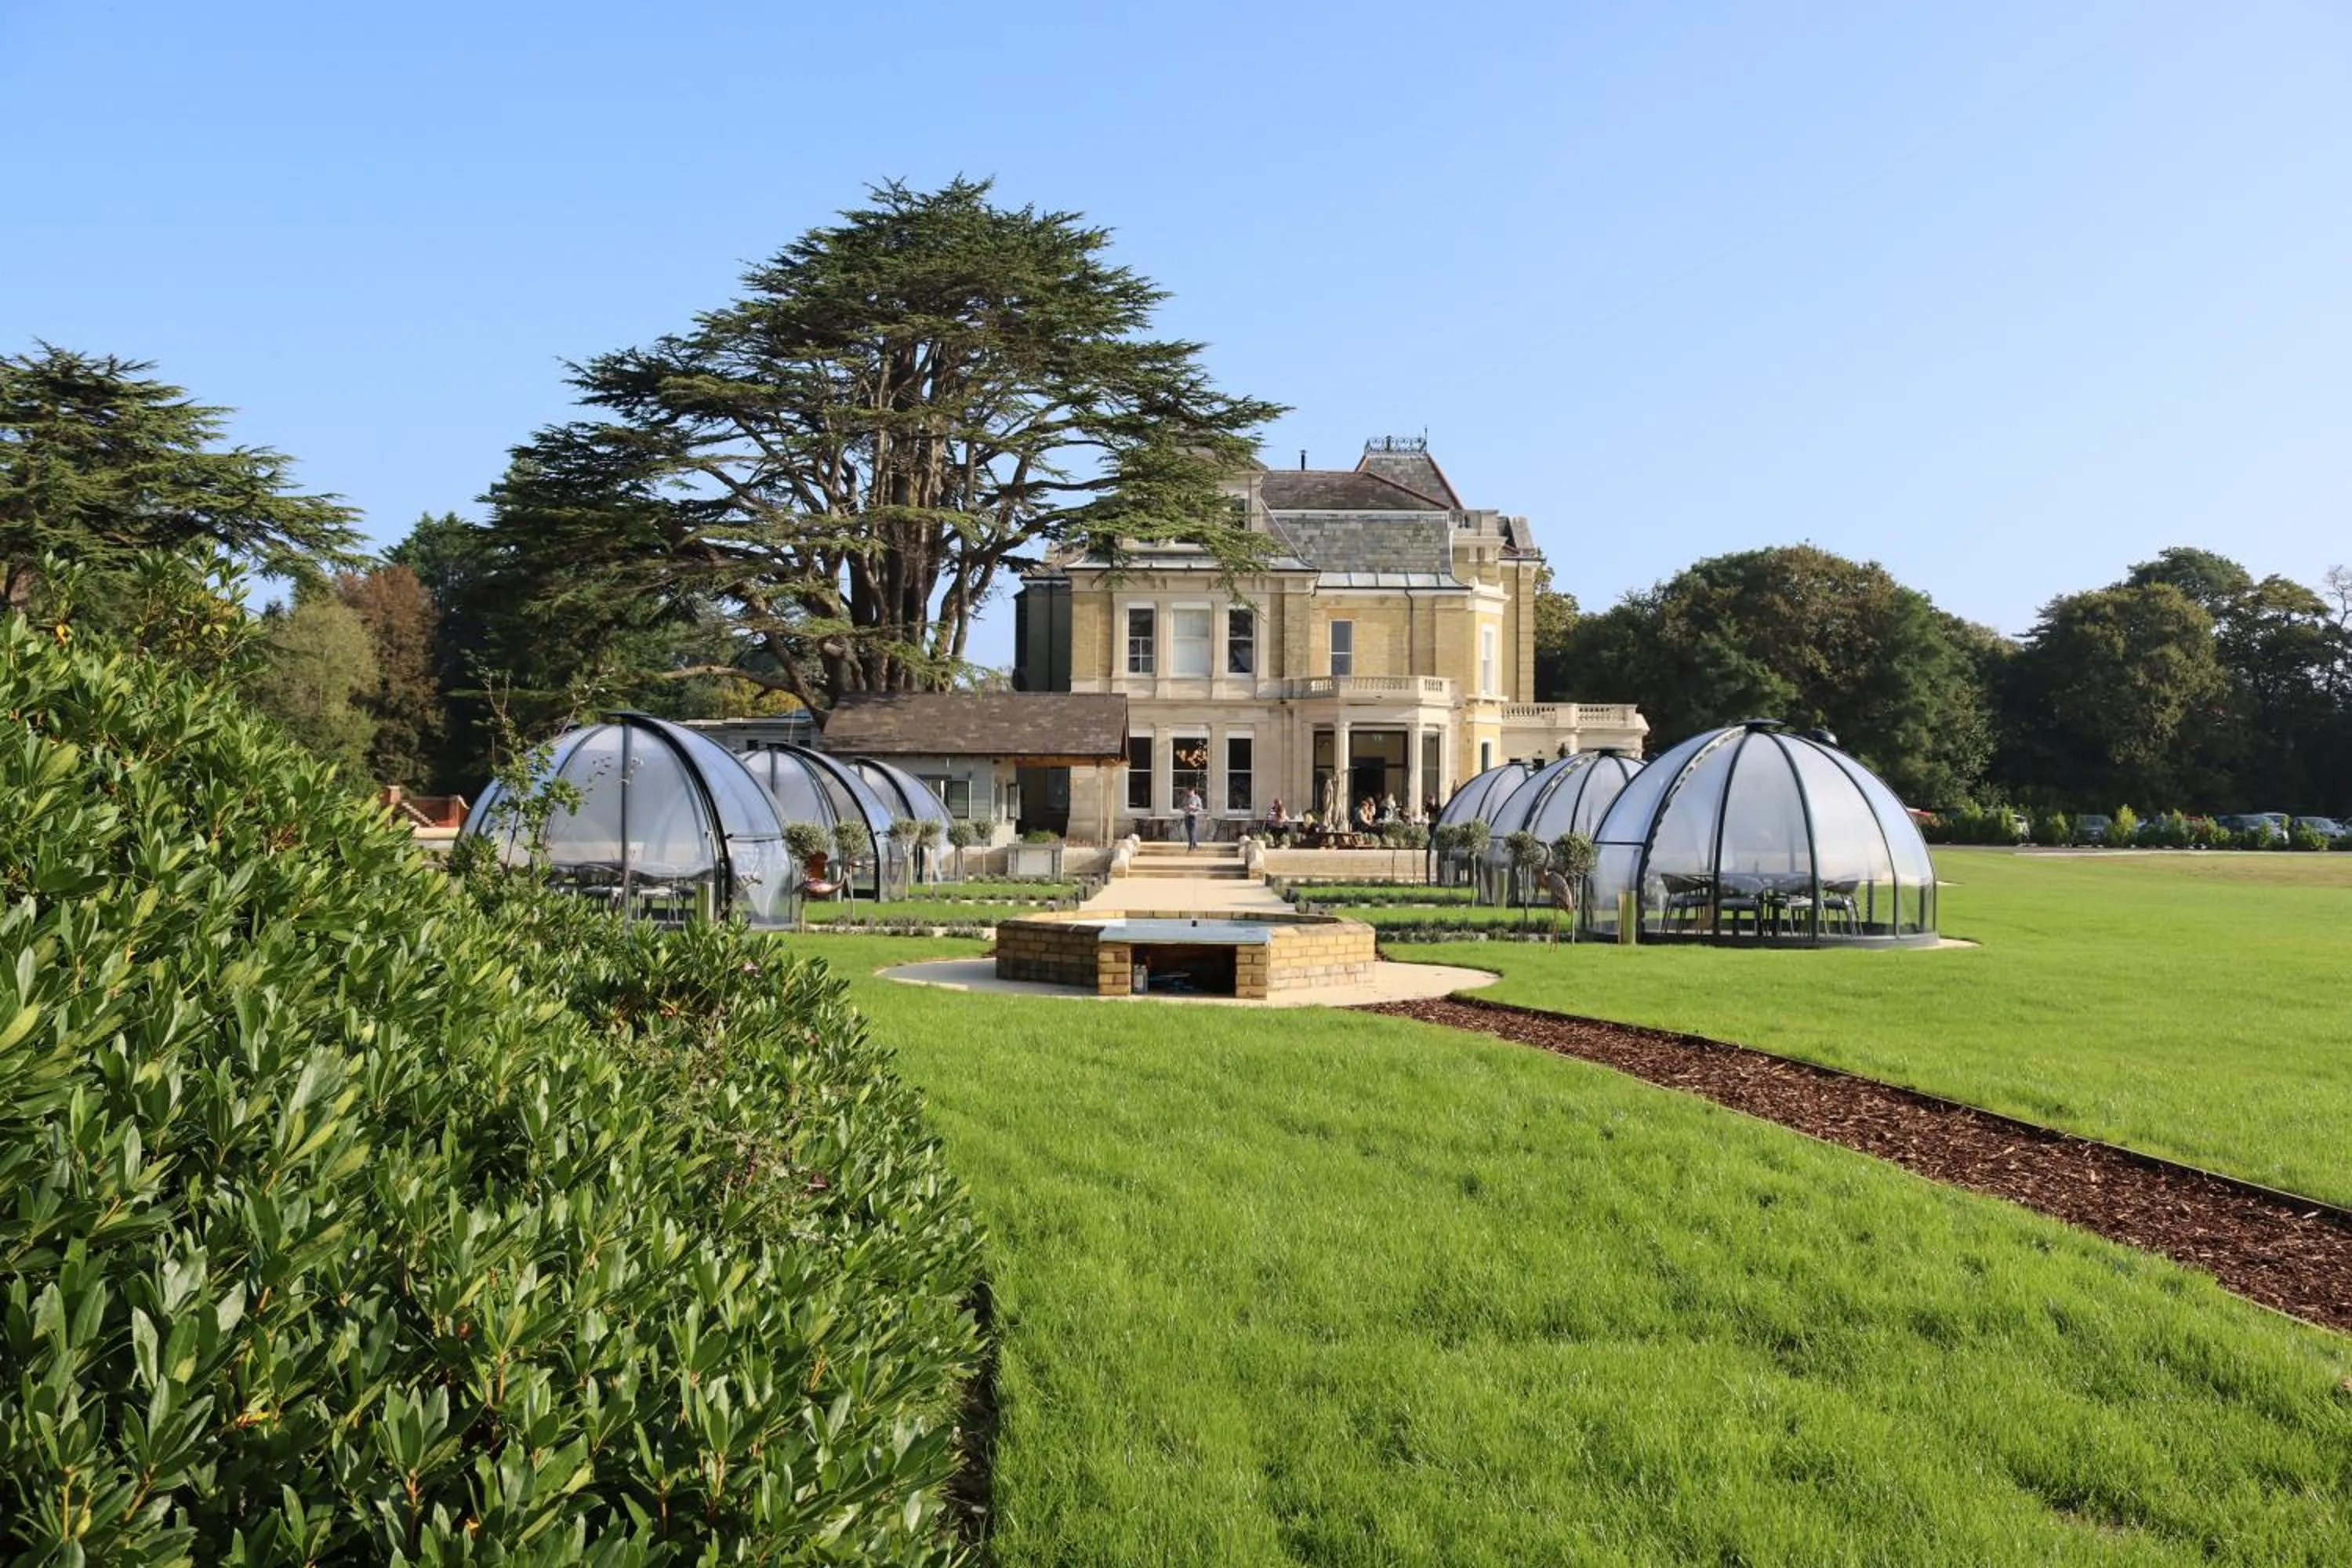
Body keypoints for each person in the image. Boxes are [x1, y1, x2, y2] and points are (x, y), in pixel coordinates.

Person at [1181, 785, 1203, 850]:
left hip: (1193, 816)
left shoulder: (1197, 798)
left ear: (1193, 791)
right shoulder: (1186, 798)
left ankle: (1191, 845)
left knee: (1192, 831)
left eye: (1190, 791)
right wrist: (1185, 808)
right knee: (1189, 831)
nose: (1188, 793)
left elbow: (1200, 808)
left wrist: (1193, 807)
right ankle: (1195, 845)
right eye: (1188, 791)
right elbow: (1183, 806)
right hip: (1187, 816)